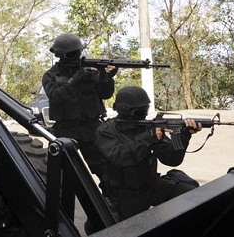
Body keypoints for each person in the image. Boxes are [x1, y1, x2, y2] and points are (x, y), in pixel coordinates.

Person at [95, 86, 202, 221]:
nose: (145, 114)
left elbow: (172, 159)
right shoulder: (106, 131)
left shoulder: (149, 127)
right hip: (123, 195)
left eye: (145, 108)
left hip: (150, 186)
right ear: (125, 110)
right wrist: (149, 137)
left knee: (193, 195)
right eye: (140, 111)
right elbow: (120, 157)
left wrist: (181, 135)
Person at [42, 33, 117, 180]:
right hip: (65, 130)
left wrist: (107, 77)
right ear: (61, 54)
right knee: (65, 173)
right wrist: (75, 80)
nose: (76, 56)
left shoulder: (89, 70)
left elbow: (105, 94)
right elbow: (56, 97)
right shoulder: (51, 75)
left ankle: (109, 199)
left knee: (105, 169)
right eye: (72, 54)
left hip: (91, 128)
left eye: (77, 52)